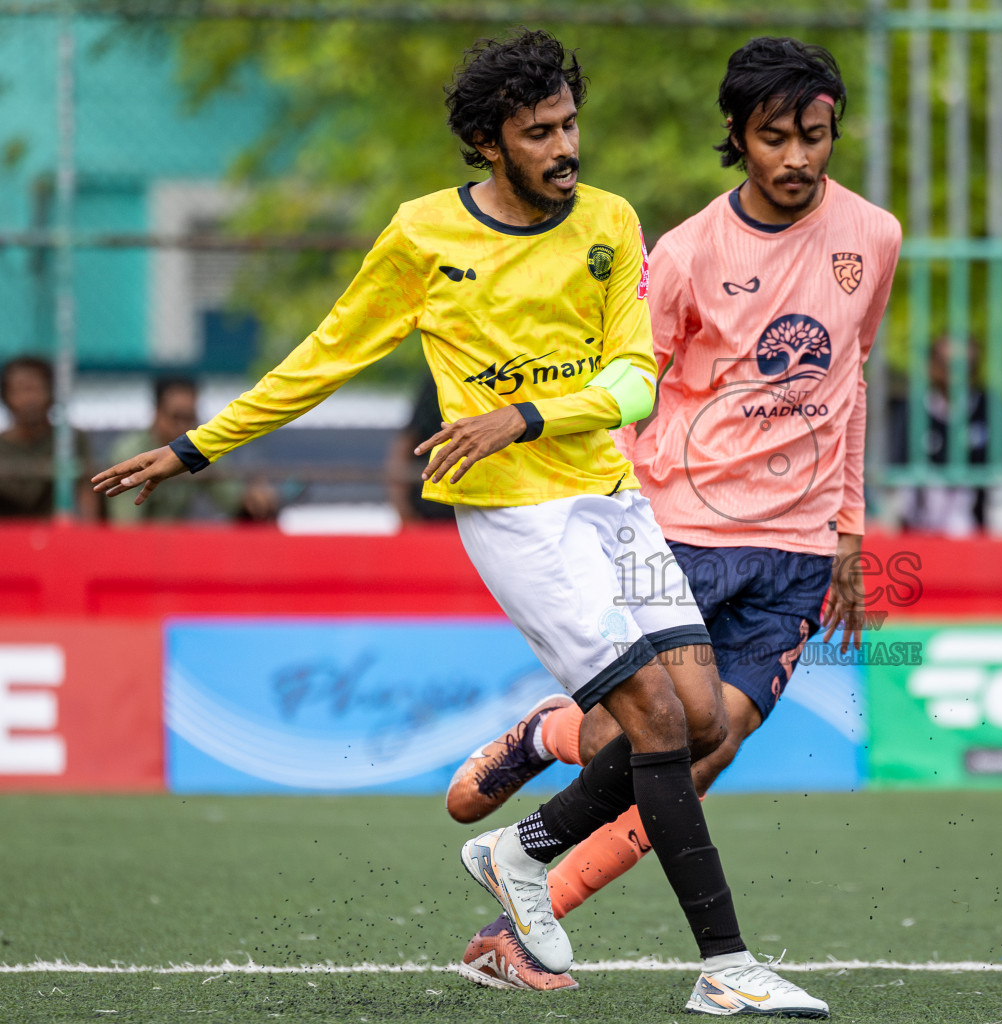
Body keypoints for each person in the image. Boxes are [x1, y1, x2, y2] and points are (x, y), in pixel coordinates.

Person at [93, 30, 825, 1018]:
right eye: (540, 133)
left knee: (700, 719)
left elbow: (634, 382)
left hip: (611, 503)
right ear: (488, 142)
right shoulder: (423, 238)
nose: (567, 146)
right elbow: (323, 357)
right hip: (518, 520)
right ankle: (726, 968)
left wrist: (524, 414)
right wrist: (196, 449)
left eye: (571, 123)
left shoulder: (610, 221)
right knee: (656, 721)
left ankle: (514, 850)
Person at [443, 35, 898, 1000]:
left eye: (815, 136)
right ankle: (550, 753)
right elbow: (626, 386)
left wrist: (849, 533)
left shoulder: (876, 237)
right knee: (657, 739)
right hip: (680, 527)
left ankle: (525, 896)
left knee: (706, 748)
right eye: (775, 137)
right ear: (738, 136)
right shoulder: (685, 253)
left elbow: (850, 381)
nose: (798, 158)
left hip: (800, 552)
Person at [888, 335, 1002, 537]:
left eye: (966, 366)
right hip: (918, 532)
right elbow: (894, 469)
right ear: (932, 366)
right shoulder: (913, 410)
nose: (956, 375)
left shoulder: (989, 408)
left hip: (976, 532)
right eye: (947, 365)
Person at [105, 376, 279, 524]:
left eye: (189, 418)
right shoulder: (130, 454)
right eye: (176, 417)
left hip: (174, 548)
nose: (182, 426)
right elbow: (125, 527)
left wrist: (253, 499)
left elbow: (232, 500)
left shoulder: (197, 447)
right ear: (156, 413)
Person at [0, 355, 97, 520]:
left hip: (56, 536)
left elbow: (86, 493)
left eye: (34, 389)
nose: (28, 400)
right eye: (19, 390)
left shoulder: (70, 440)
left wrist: (86, 535)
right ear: (6, 397)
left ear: (52, 394)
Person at [388, 376, 458, 523]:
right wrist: (403, 507)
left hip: (483, 504)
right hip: (432, 509)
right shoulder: (440, 381)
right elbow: (408, 440)